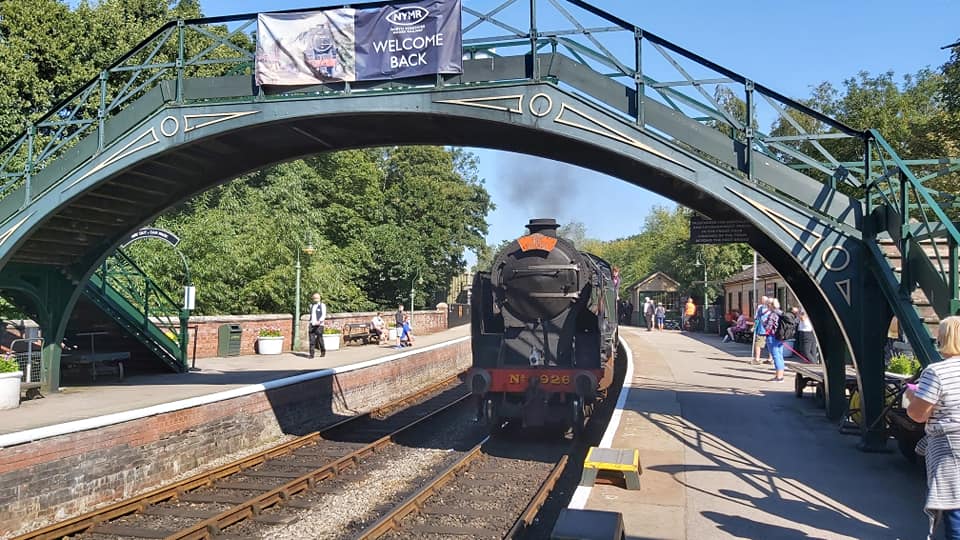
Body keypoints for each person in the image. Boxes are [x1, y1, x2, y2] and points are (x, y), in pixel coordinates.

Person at [906, 316, 960, 540]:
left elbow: (918, 415)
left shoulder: (936, 372)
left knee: (954, 506)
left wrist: (912, 396)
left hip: (950, 449)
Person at [763, 298, 785, 381]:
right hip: (780, 337)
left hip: (772, 337)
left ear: (771, 305)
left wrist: (763, 323)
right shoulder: (781, 313)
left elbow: (768, 327)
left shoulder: (773, 314)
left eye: (767, 304)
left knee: (776, 356)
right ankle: (780, 375)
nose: (767, 306)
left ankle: (779, 377)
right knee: (780, 356)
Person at [752, 296, 770, 365]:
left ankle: (757, 359)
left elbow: (757, 319)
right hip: (770, 330)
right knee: (770, 345)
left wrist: (754, 327)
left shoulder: (760, 308)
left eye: (761, 299)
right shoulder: (771, 308)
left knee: (758, 344)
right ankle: (770, 359)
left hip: (762, 329)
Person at [308, 293, 326, 358]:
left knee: (320, 339)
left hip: (319, 325)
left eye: (317, 298)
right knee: (311, 340)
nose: (315, 299)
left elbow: (323, 315)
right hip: (312, 324)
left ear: (319, 298)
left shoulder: (322, 305)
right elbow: (311, 315)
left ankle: (323, 351)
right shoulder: (311, 305)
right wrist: (311, 322)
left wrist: (320, 321)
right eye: (314, 298)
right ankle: (311, 354)